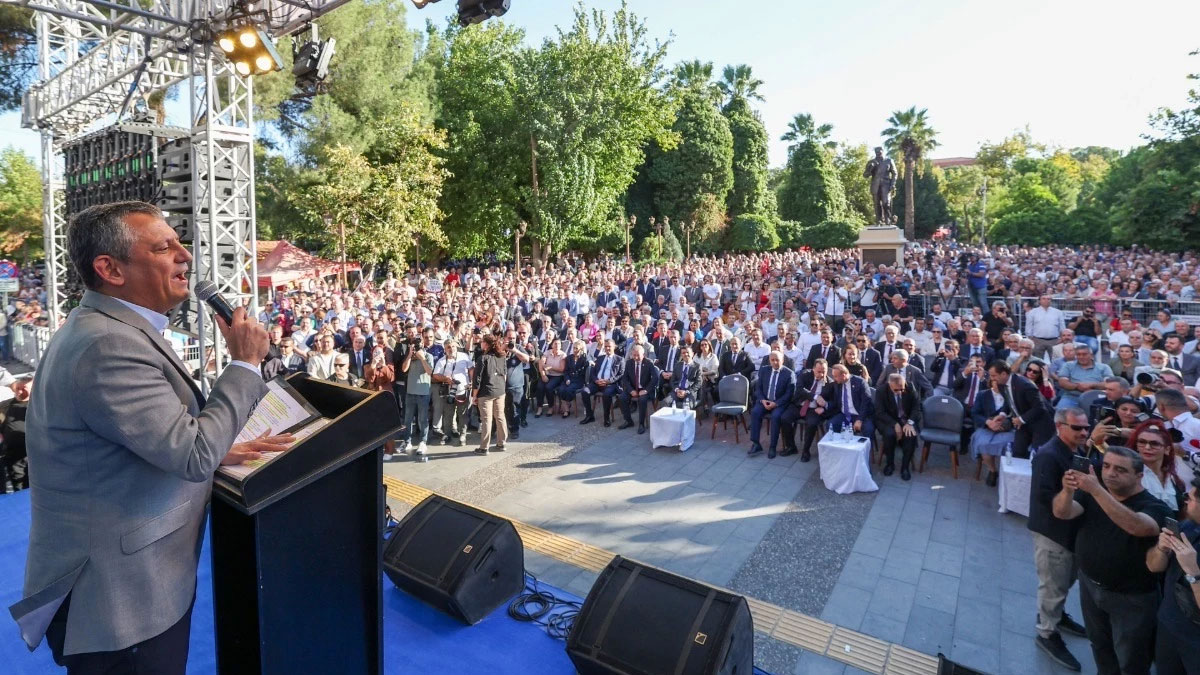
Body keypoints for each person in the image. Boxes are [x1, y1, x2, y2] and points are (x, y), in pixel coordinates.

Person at [9, 201, 290, 672]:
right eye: (165, 247)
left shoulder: (111, 328)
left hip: (128, 585)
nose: (185, 256)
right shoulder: (108, 344)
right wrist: (243, 364)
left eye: (180, 243)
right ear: (110, 269)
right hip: (120, 601)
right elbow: (194, 454)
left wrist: (220, 449)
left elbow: (145, 440)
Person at [1052, 445, 1171, 675]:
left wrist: (1097, 490)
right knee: (1101, 647)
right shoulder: (1092, 493)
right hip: (1090, 586)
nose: (1110, 473)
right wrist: (1067, 491)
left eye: (1120, 469)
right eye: (1106, 466)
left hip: (1131, 599)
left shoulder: (1155, 507)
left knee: (1131, 658)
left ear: (1139, 475)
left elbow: (1137, 526)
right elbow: (1062, 513)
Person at [1028, 407, 1092, 672]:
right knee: (1053, 584)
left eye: (1085, 428)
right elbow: (1045, 497)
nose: (1083, 432)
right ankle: (1047, 632)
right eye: (1077, 428)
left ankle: (1055, 615)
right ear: (1060, 426)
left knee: (1064, 580)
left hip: (1069, 533)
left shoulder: (1072, 451)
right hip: (1053, 533)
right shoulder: (1049, 456)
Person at [1145, 473, 1200, 675]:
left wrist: (1193, 572)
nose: (1186, 501)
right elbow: (1153, 566)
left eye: (1191, 498)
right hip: (1170, 626)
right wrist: (1161, 549)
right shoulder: (1187, 527)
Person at [988, 360, 1055, 458]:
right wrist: (1002, 414)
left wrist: (1021, 419)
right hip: (1023, 423)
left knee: (1038, 455)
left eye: (994, 376)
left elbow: (1040, 407)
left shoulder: (1025, 385)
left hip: (1042, 423)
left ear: (1003, 374)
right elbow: (1008, 400)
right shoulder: (1001, 383)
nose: (992, 379)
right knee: (1017, 452)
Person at [971, 369, 1017, 486]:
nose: (996, 384)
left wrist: (1005, 424)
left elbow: (1016, 415)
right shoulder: (983, 395)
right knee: (983, 443)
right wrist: (988, 422)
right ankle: (992, 470)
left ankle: (1006, 472)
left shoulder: (1010, 397)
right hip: (986, 427)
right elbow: (975, 413)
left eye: (999, 382)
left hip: (1005, 429)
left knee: (1010, 444)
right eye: (994, 381)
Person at [874, 372, 922, 479]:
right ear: (889, 385)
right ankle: (890, 464)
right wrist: (894, 424)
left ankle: (905, 467)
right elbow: (879, 412)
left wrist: (910, 422)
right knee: (889, 434)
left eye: (902, 389)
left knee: (910, 435)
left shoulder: (910, 387)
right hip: (888, 419)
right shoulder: (881, 391)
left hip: (906, 420)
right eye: (896, 390)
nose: (900, 392)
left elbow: (917, 408)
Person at [782, 358, 830, 461]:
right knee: (785, 418)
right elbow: (799, 389)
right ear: (813, 369)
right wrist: (815, 397)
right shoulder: (805, 375)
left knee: (812, 424)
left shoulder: (830, 383)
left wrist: (824, 408)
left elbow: (833, 401)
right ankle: (791, 446)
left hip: (814, 409)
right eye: (819, 371)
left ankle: (806, 451)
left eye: (824, 371)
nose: (821, 374)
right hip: (800, 405)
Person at [749, 351, 794, 458]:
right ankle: (756, 443)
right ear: (769, 360)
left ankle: (772, 447)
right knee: (755, 412)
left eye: (777, 360)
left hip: (779, 403)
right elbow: (758, 388)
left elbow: (789, 394)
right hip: (765, 400)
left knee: (775, 416)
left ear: (782, 360)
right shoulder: (764, 370)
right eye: (772, 360)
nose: (775, 362)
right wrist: (762, 400)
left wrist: (776, 403)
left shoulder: (789, 374)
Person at [401, 327, 435, 458]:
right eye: (414, 344)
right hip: (410, 392)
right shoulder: (410, 356)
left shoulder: (428, 356)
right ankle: (407, 441)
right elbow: (404, 369)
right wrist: (410, 354)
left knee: (422, 419)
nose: (416, 346)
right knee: (408, 419)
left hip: (423, 392)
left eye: (418, 344)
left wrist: (422, 358)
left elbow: (430, 372)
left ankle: (423, 441)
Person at [473, 333, 509, 455]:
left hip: (486, 392)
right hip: (500, 390)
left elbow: (477, 379)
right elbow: (504, 374)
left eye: (482, 341)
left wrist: (474, 395)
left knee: (486, 420)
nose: (481, 343)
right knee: (500, 417)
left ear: (486, 344)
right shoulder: (502, 356)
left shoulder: (482, 358)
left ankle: (484, 447)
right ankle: (502, 443)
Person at [431, 338, 471, 445]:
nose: (451, 349)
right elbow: (435, 375)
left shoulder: (464, 356)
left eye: (453, 346)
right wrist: (445, 379)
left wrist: (471, 383)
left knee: (462, 414)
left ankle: (463, 435)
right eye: (448, 347)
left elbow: (471, 369)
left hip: (462, 390)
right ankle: (447, 435)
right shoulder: (442, 360)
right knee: (448, 414)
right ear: (445, 349)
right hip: (448, 391)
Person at [619, 344, 659, 434]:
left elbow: (655, 378)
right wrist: (630, 390)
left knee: (642, 400)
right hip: (633, 388)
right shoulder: (629, 363)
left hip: (645, 388)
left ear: (643, 355)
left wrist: (646, 390)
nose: (636, 358)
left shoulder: (648, 363)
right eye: (634, 355)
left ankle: (641, 424)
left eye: (638, 355)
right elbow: (625, 378)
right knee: (622, 397)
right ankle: (628, 420)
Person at [589, 338, 625, 426]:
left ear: (614, 347)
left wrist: (608, 381)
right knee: (584, 392)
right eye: (606, 347)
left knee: (606, 394)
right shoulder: (600, 358)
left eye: (609, 346)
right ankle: (590, 416)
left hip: (611, 384)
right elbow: (592, 372)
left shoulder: (620, 359)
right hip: (597, 383)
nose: (607, 348)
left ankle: (606, 418)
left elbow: (621, 374)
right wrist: (596, 380)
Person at [667, 346, 701, 410]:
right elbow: (672, 381)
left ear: (693, 354)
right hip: (677, 391)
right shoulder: (677, 365)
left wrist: (686, 392)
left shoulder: (697, 367)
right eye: (683, 353)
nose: (685, 354)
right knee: (665, 403)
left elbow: (698, 383)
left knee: (686, 407)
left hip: (689, 392)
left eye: (688, 352)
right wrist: (677, 390)